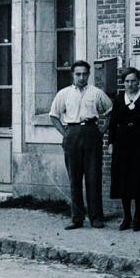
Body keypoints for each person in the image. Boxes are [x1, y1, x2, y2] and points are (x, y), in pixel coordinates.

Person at [49, 60, 113, 229]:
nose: (81, 77)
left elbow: (109, 112)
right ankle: (77, 218)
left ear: (89, 75)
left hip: (92, 133)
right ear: (73, 75)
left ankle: (96, 217)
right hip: (72, 134)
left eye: (85, 74)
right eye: (78, 74)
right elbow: (54, 116)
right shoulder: (64, 94)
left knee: (93, 177)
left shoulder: (96, 93)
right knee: (74, 179)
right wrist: (65, 133)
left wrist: (101, 132)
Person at [106, 67, 140, 230]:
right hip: (121, 141)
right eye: (127, 81)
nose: (130, 84)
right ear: (123, 83)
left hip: (139, 140)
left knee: (139, 178)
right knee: (123, 178)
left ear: (139, 81)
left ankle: (138, 216)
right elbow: (112, 123)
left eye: (133, 80)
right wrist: (111, 144)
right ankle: (126, 217)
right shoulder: (119, 99)